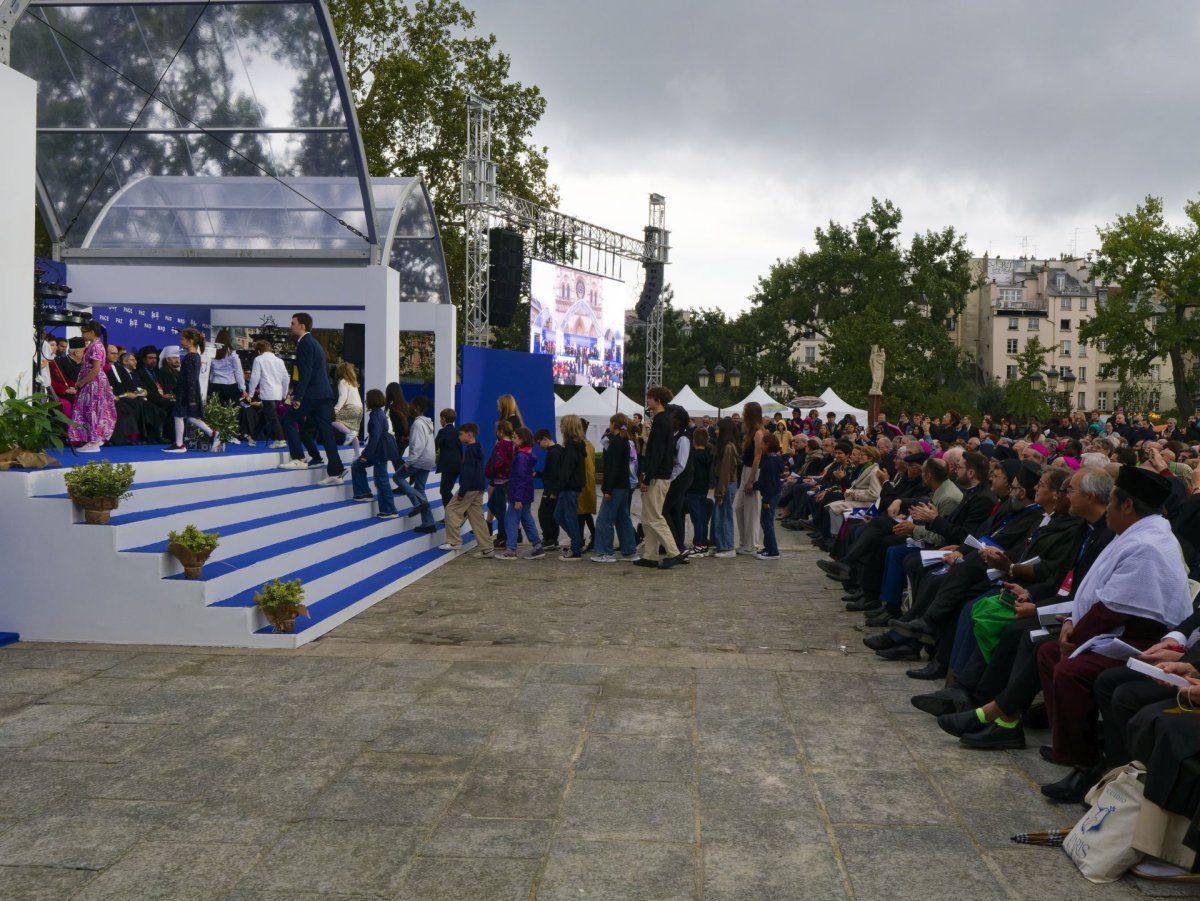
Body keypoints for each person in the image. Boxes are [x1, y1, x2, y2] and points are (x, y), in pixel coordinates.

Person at [1036, 465, 1194, 802]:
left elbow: (1116, 607)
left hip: (1146, 639)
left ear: (1127, 506)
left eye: (1112, 503)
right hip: (1121, 631)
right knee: (1050, 653)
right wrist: (1069, 625)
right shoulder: (1135, 533)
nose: (1106, 508)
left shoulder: (1148, 544)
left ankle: (1087, 764)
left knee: (1071, 669)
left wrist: (1075, 637)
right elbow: (1100, 597)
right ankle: (1076, 747)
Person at [278, 313, 345, 485]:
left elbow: (306, 373)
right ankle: (336, 472)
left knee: (287, 419)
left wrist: (298, 396)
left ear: (302, 326)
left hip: (312, 394)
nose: (290, 325)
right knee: (327, 433)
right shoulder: (315, 343)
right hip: (323, 395)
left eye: (293, 323)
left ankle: (299, 458)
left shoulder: (305, 344)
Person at [638, 386, 684, 569]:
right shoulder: (662, 420)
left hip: (657, 476)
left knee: (654, 517)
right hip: (659, 475)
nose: (647, 401)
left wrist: (647, 478)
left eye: (649, 398)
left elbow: (655, 453)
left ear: (658, 400)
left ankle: (674, 552)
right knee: (648, 517)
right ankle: (650, 555)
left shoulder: (661, 422)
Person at [163, 328, 220, 453]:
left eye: (182, 339)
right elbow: (187, 378)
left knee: (179, 415)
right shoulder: (194, 357)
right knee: (190, 417)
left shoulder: (191, 357)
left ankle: (179, 445)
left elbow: (191, 379)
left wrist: (191, 397)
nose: (181, 342)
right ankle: (212, 433)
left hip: (187, 393)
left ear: (191, 340)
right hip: (187, 392)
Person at [591, 413, 639, 563]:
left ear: (614, 424)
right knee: (623, 518)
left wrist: (607, 490)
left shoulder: (616, 443)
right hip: (624, 485)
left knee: (604, 519)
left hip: (615, 487)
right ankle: (629, 550)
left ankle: (605, 552)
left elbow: (612, 468)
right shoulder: (625, 441)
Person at [65, 321, 117, 452]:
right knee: (92, 409)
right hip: (93, 382)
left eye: (84, 332)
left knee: (93, 410)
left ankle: (93, 440)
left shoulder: (96, 347)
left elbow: (95, 369)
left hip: (93, 383)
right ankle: (94, 439)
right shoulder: (95, 345)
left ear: (92, 332)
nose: (82, 335)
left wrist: (81, 382)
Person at [438, 423, 490, 552]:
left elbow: (468, 473)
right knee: (477, 518)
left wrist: (462, 491)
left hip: (469, 487)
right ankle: (487, 547)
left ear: (470, 434)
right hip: (479, 486)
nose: (459, 437)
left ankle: (454, 542)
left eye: (461, 434)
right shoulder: (477, 448)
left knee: (451, 510)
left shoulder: (470, 451)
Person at [495, 427, 544, 560]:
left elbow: (520, 478)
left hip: (519, 495)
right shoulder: (527, 455)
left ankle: (511, 549)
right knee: (527, 519)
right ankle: (537, 546)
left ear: (522, 440)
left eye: (515, 437)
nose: (513, 439)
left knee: (511, 520)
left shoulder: (521, 457)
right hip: (526, 494)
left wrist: (518, 498)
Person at [350, 389, 400, 518]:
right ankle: (364, 493)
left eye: (367, 398)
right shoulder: (378, 413)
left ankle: (389, 510)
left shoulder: (376, 415)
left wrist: (365, 455)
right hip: (380, 449)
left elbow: (375, 437)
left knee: (381, 480)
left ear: (372, 399)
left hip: (379, 450)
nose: (365, 400)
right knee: (357, 466)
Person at [395, 395, 436, 534]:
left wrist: (409, 461)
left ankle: (418, 502)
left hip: (419, 459)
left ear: (417, 408)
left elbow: (418, 446)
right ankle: (429, 523)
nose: (409, 407)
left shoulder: (418, 424)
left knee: (397, 478)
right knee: (420, 488)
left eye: (411, 404)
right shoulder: (427, 423)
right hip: (428, 460)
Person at [734, 401, 766, 555]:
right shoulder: (749, 433)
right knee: (738, 507)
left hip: (754, 471)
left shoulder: (759, 433)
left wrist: (751, 479)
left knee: (752, 510)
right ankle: (744, 541)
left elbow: (757, 457)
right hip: (745, 470)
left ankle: (751, 544)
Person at [245, 340, 289, 448]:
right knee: (265, 416)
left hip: (267, 392)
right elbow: (286, 378)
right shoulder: (279, 361)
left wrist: (250, 394)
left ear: (259, 351)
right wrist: (284, 393)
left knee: (272, 417)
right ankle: (253, 437)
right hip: (278, 393)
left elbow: (255, 377)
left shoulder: (259, 359)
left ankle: (280, 439)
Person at [555, 414, 587, 560]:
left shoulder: (571, 448)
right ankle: (577, 541)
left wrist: (557, 488)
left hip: (569, 488)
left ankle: (576, 548)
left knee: (568, 517)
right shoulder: (574, 446)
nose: (560, 427)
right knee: (559, 515)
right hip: (569, 488)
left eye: (562, 425)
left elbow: (566, 471)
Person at [663, 406, 693, 553]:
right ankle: (676, 543)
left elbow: (681, 463)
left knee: (665, 510)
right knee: (675, 511)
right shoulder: (676, 435)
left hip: (680, 479)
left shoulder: (683, 438)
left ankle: (677, 545)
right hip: (678, 478)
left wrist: (670, 478)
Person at [484, 420, 516, 550]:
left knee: (500, 509)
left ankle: (503, 537)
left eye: (497, 430)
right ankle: (505, 531)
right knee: (492, 505)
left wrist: (490, 471)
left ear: (501, 431)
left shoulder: (501, 445)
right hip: (507, 480)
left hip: (500, 480)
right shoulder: (513, 444)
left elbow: (498, 462)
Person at [711, 417, 740, 559]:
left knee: (724, 516)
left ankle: (727, 546)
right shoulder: (727, 446)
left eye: (718, 429)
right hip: (726, 484)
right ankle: (721, 544)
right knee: (720, 515)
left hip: (726, 485)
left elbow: (725, 472)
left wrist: (721, 492)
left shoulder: (728, 447)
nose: (716, 431)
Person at [755, 432, 785, 559]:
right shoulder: (774, 459)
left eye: (762, 443)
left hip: (770, 496)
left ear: (767, 445)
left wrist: (756, 487)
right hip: (773, 494)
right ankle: (768, 546)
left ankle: (773, 550)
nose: (760, 445)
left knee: (767, 522)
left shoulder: (771, 463)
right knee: (766, 521)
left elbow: (768, 483)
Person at [686, 427, 714, 555]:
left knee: (696, 519)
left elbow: (690, 474)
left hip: (693, 490)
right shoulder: (708, 456)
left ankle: (699, 544)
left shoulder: (692, 457)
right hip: (703, 489)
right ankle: (703, 541)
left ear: (694, 441)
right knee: (702, 518)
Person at [534, 428, 563, 551]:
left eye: (539, 442)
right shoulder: (556, 450)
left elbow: (555, 474)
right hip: (551, 488)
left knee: (544, 514)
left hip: (551, 490)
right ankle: (552, 539)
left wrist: (553, 491)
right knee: (549, 514)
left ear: (545, 439)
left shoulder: (554, 453)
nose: (538, 446)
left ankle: (550, 539)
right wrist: (538, 474)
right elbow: (550, 472)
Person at [331, 362, 363, 456]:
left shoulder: (342, 381)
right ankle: (357, 454)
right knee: (353, 434)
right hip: (359, 409)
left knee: (332, 420)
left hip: (350, 408)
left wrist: (336, 410)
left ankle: (349, 433)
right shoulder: (353, 383)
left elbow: (342, 397)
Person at [208, 329, 245, 406]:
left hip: (215, 384)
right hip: (230, 386)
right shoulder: (233, 355)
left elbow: (209, 370)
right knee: (231, 413)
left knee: (214, 412)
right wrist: (243, 389)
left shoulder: (212, 354)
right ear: (229, 340)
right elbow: (238, 373)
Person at [435, 408, 461, 512]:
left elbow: (435, 446)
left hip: (447, 466)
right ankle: (451, 514)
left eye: (440, 419)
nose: (440, 421)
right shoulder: (457, 432)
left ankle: (455, 513)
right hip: (457, 465)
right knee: (446, 490)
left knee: (444, 491)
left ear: (444, 419)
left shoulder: (442, 432)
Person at [577, 419, 597, 552]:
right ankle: (594, 537)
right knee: (585, 512)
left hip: (582, 483)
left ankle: (579, 540)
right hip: (589, 483)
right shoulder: (589, 445)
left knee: (581, 512)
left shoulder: (581, 445)